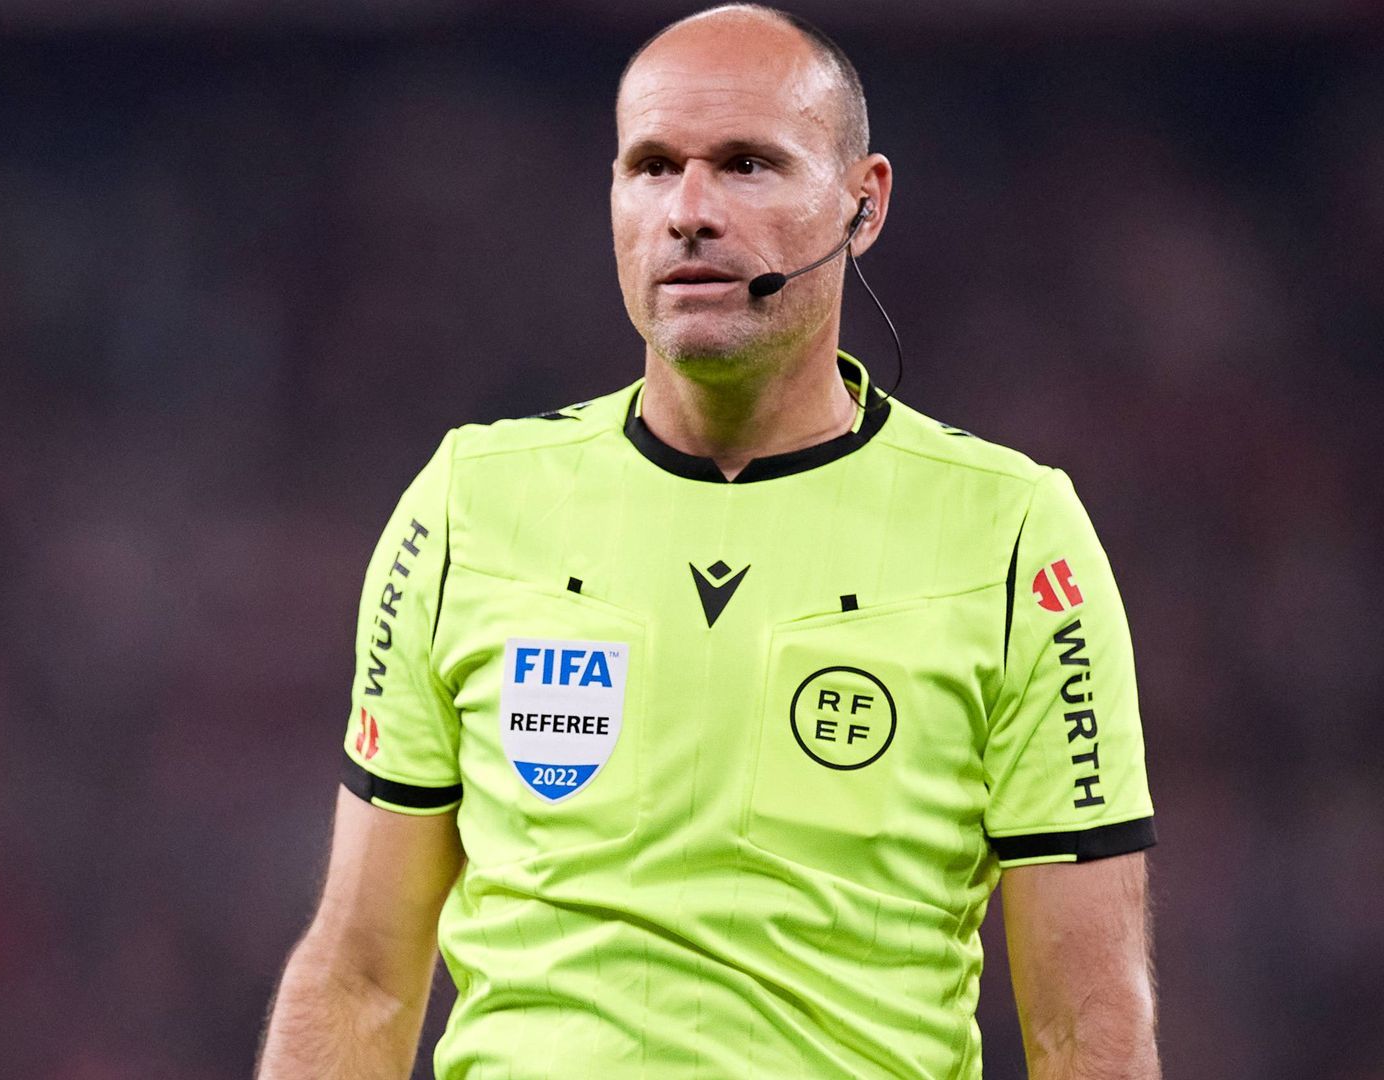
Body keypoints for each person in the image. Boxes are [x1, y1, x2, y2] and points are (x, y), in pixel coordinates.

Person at [256, 5, 1159, 1078]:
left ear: (864, 204)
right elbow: (359, 977)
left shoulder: (1013, 536)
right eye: (651, 167)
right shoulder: (468, 504)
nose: (688, 212)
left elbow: (1084, 1024)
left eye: (746, 165)